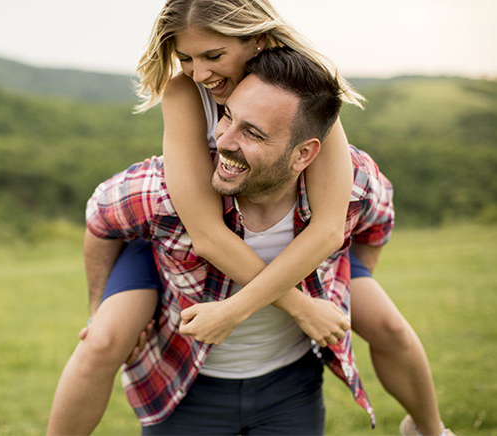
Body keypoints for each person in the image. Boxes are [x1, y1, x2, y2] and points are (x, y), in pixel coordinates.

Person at [48, 1, 449, 435]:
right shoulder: (185, 92)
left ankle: (428, 428)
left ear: (256, 39)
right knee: (102, 340)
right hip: (178, 235)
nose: (199, 72)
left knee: (388, 324)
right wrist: (300, 307)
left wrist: (330, 290)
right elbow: (205, 234)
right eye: (186, 57)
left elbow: (331, 227)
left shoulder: (303, 93)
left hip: (296, 237)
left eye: (213, 56)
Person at [86, 46, 390, 434]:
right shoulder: (164, 191)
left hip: (290, 385)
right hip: (188, 384)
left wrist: (344, 283)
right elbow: (101, 215)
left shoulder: (350, 182)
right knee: (98, 345)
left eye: (252, 132)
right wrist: (97, 307)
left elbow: (378, 218)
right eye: (226, 116)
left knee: (392, 330)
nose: (224, 140)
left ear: (304, 154)